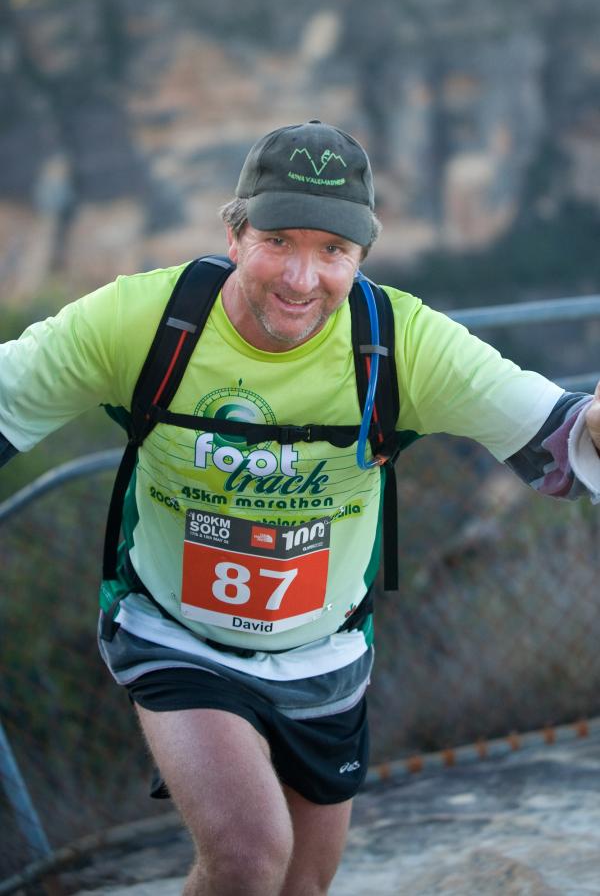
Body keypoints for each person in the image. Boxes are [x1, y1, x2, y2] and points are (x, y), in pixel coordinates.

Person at [1, 119, 599, 896]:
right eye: (278, 240)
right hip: (178, 635)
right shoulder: (143, 322)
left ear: (362, 258)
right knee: (249, 857)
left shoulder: (401, 341)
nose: (300, 277)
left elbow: (557, 427)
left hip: (328, 654)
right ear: (235, 231)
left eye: (333, 252)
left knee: (302, 885)